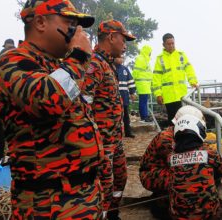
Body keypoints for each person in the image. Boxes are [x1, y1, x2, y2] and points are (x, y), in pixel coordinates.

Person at [0, 0, 104, 218]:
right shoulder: (12, 61)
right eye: (70, 23)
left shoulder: (54, 65)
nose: (76, 32)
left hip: (81, 196)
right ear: (40, 22)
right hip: (48, 202)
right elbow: (48, 100)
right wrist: (78, 56)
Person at [82, 19, 136, 219]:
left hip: (115, 140)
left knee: (120, 180)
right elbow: (82, 104)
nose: (125, 45)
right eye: (124, 39)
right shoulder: (94, 64)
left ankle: (113, 213)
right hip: (101, 144)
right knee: (104, 186)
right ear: (112, 37)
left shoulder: (108, 64)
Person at [168, 114, 222, 219]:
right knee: (221, 179)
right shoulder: (209, 153)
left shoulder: (170, 158)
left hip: (178, 217)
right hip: (209, 216)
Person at [152, 33, 198, 125]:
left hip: (182, 94)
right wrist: (158, 94)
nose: (171, 45)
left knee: (184, 119)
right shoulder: (160, 59)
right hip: (169, 96)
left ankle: (183, 138)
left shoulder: (181, 55)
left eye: (173, 43)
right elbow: (156, 77)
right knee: (172, 120)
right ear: (163, 45)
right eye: (169, 44)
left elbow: (189, 69)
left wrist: (193, 82)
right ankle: (173, 138)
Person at [115, 56, 137, 138]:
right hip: (115, 98)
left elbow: (130, 81)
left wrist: (132, 93)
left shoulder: (125, 69)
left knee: (126, 117)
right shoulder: (110, 67)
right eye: (119, 57)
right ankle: (116, 134)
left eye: (122, 58)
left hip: (124, 98)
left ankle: (128, 132)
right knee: (116, 116)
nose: (121, 59)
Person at [132, 45, 153, 123]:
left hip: (146, 84)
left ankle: (145, 116)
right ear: (147, 51)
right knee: (143, 101)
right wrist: (132, 81)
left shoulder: (145, 60)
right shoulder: (141, 59)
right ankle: (144, 117)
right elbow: (136, 71)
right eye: (150, 52)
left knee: (144, 101)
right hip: (142, 84)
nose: (150, 54)